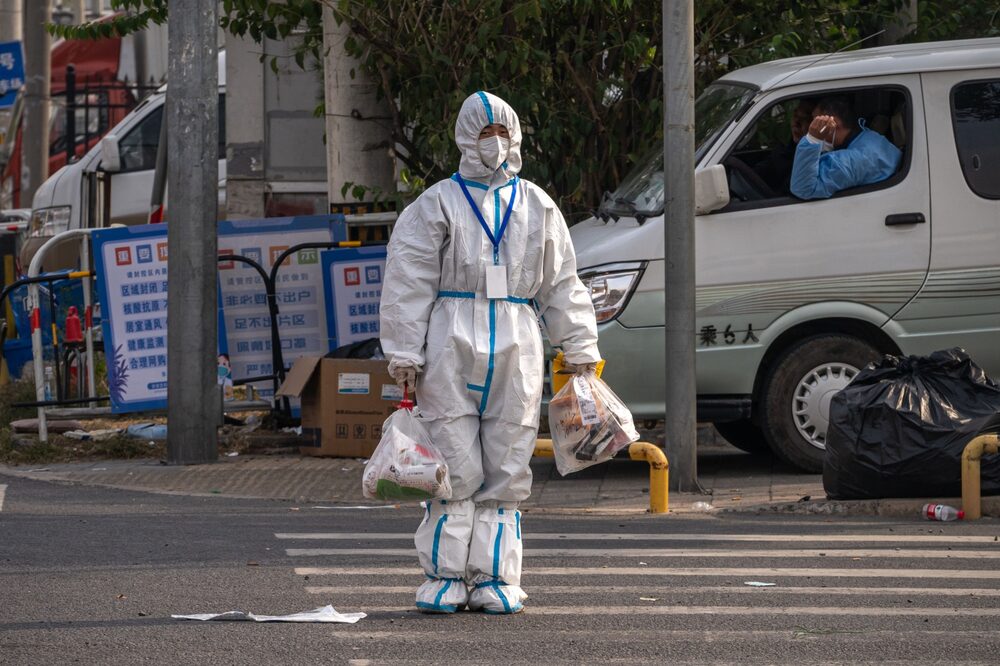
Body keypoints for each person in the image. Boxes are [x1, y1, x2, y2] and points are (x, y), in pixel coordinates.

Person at [379, 91, 600, 614]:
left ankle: (496, 577)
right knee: (452, 459)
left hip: (518, 336)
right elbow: (407, 280)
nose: (494, 143)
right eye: (484, 133)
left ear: (516, 136)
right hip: (450, 337)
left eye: (502, 132)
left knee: (508, 459)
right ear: (464, 138)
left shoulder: (537, 204)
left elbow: (562, 282)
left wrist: (581, 345)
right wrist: (405, 354)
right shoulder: (436, 204)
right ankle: (446, 576)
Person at [790, 96, 902, 200]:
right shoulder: (868, 137)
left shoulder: (848, 162)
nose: (812, 127)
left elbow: (803, 189)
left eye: (817, 123)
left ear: (833, 124)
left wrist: (812, 139)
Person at [753, 98, 816, 195]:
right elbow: (762, 170)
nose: (796, 123)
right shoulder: (787, 148)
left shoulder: (816, 160)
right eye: (795, 115)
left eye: (805, 118)